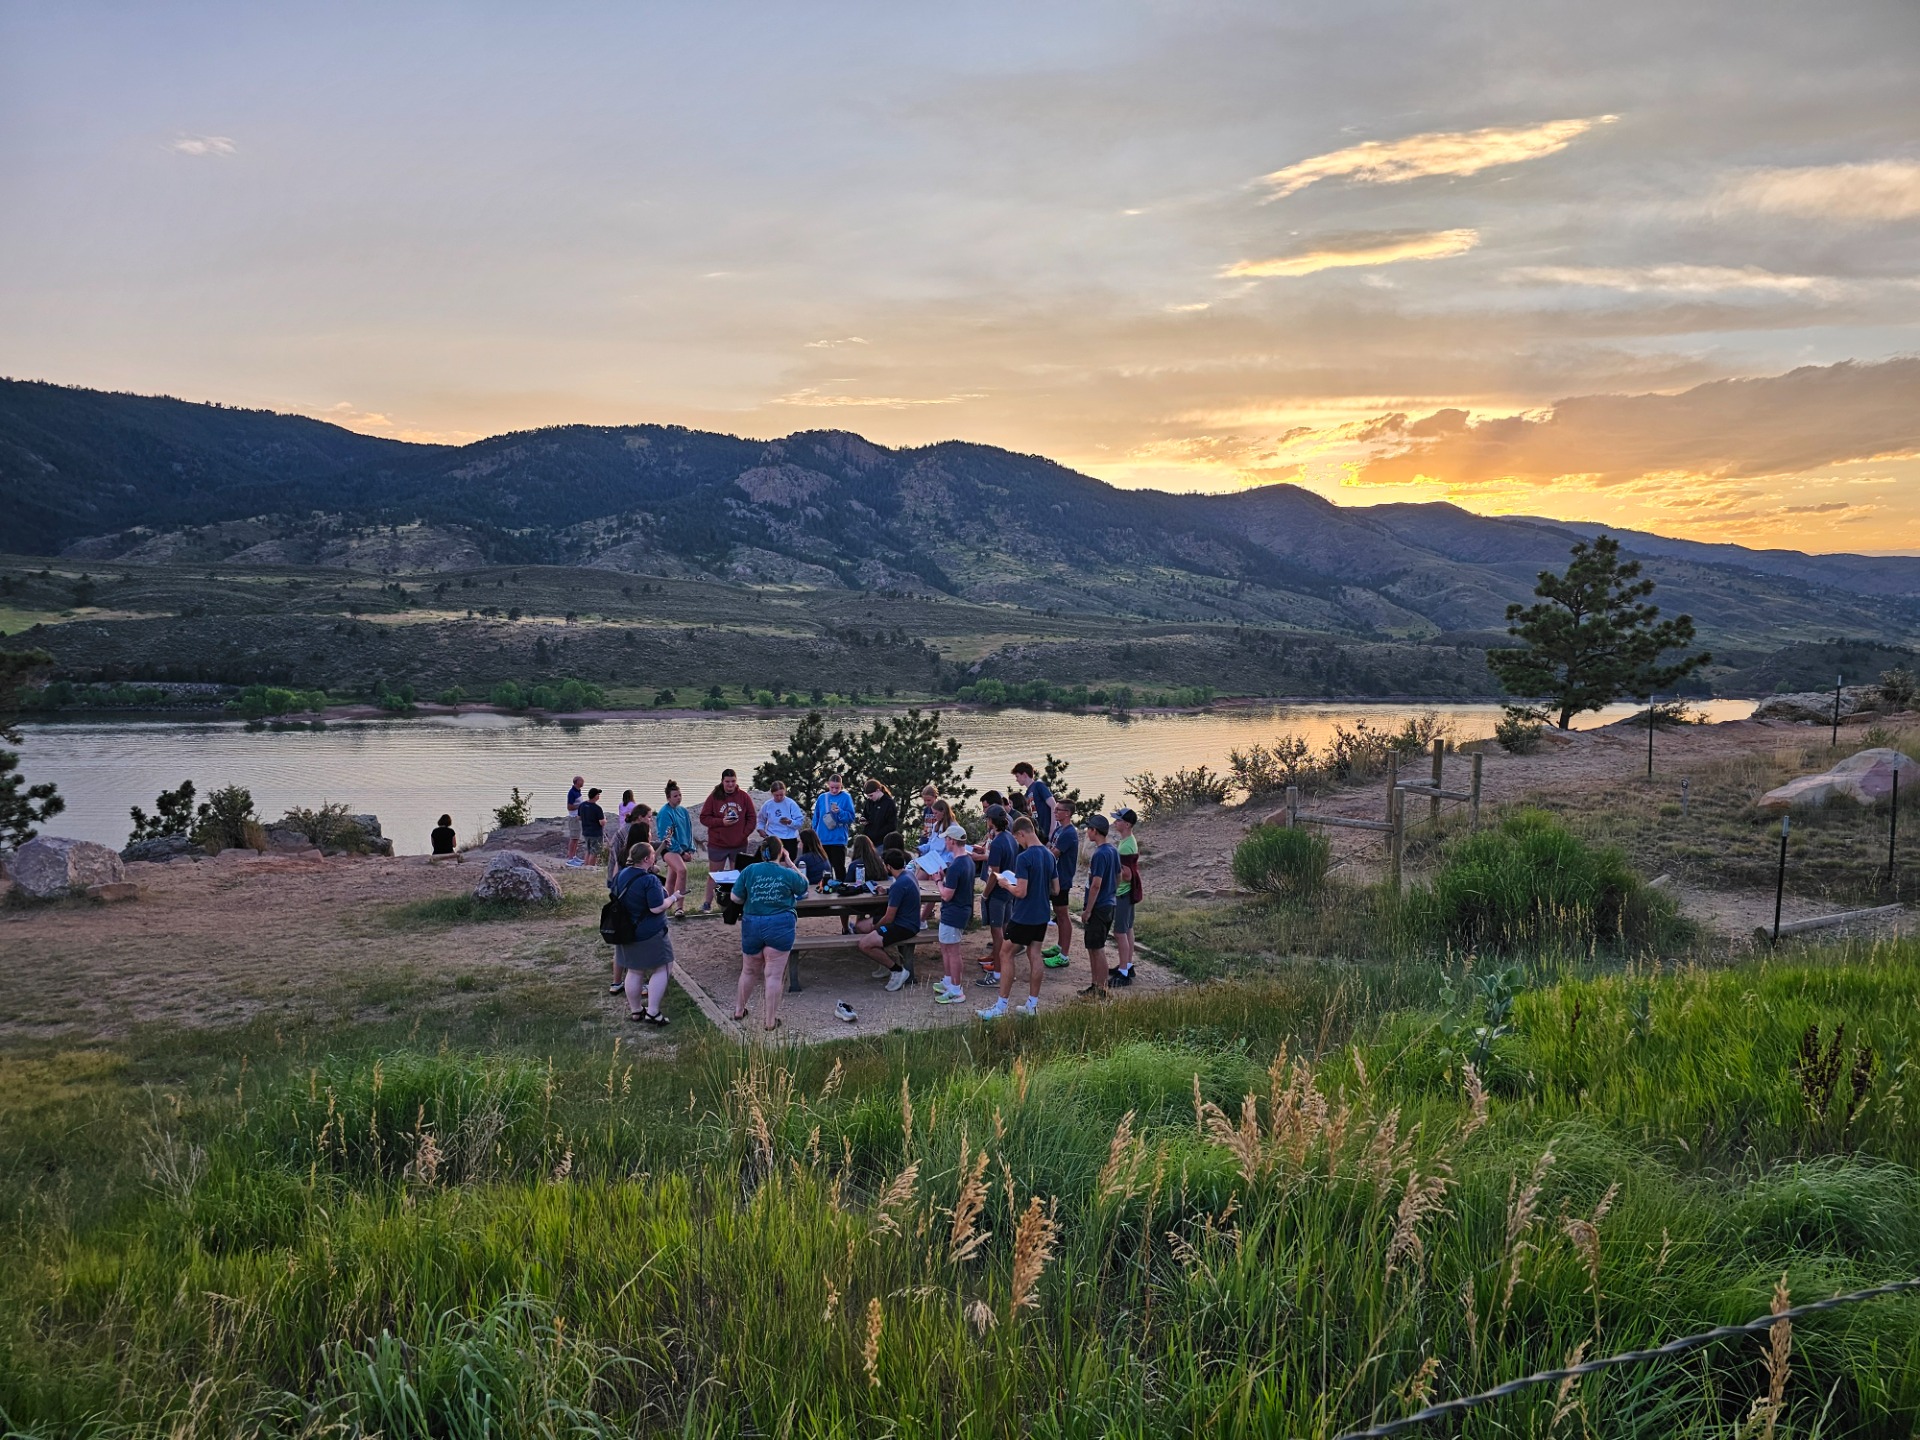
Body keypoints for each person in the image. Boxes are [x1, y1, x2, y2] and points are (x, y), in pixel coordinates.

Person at [978, 815, 1055, 1019]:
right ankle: (1032, 1004)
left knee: (1005, 954)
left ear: (1021, 833)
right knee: (1035, 954)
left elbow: (1020, 892)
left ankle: (1001, 1006)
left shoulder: (1025, 857)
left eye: (1018, 839)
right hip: (1042, 913)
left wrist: (1005, 884)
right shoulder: (1049, 855)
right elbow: (1055, 888)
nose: (1019, 843)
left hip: (1024, 915)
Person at [731, 837, 809, 1031]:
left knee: (748, 970)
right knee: (773, 975)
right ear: (781, 852)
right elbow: (804, 886)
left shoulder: (750, 870)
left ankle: (739, 1010)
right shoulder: (787, 873)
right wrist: (791, 864)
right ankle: (770, 1021)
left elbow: (735, 897)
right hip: (780, 925)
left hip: (752, 924)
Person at [609, 841, 680, 1024]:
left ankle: (636, 1010)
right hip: (650, 932)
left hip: (626, 929)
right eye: (653, 856)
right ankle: (653, 1012)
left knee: (634, 970)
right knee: (663, 967)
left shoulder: (621, 874)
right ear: (647, 858)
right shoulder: (649, 880)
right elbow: (656, 908)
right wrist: (673, 898)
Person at [855, 847, 923, 991]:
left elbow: (889, 917)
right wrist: (885, 891)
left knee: (864, 944)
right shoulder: (908, 875)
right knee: (861, 926)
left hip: (904, 926)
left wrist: (876, 928)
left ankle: (897, 970)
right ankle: (884, 963)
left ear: (888, 866)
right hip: (905, 919)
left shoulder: (899, 885)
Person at [698, 769, 757, 911]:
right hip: (718, 844)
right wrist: (721, 822)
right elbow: (704, 818)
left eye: (733, 781)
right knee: (714, 875)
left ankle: (737, 903)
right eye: (727, 782)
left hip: (738, 844)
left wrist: (744, 834)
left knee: (737, 875)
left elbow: (752, 818)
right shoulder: (714, 797)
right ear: (722, 781)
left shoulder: (743, 797)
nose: (730, 784)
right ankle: (707, 903)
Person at [1077, 814, 1119, 1000]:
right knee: (1092, 946)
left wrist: (1088, 910)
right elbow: (1118, 876)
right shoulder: (1113, 851)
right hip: (1109, 903)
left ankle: (1102, 988)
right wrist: (1112, 893)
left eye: (1089, 829)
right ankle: (1095, 985)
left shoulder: (1100, 854)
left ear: (1095, 831)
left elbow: (1096, 884)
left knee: (1098, 947)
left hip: (1098, 907)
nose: (1087, 832)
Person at [933, 823, 976, 1005]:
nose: (945, 842)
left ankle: (956, 990)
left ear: (952, 841)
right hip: (960, 910)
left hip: (954, 912)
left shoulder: (957, 865)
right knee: (947, 947)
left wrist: (938, 881)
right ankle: (949, 981)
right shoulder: (968, 861)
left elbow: (946, 895)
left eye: (947, 839)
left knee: (953, 951)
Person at [976, 805, 1016, 987]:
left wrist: (985, 894)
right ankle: (1008, 971)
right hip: (1008, 892)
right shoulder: (1011, 838)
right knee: (1006, 933)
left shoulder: (998, 842)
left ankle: (997, 975)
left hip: (998, 894)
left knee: (997, 934)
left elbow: (994, 873)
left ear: (991, 821)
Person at [1046, 795, 1079, 968]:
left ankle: (1064, 955)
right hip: (1055, 877)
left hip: (1062, 879)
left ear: (1067, 813)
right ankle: (1059, 946)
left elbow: (1053, 853)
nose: (1055, 811)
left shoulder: (1069, 833)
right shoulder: (1059, 830)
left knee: (1063, 915)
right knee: (1058, 914)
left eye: (1058, 809)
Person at [1112, 808, 1141, 986]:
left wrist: (1113, 879)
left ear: (1127, 824)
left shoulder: (1126, 846)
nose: (1115, 823)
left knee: (1119, 931)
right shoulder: (1128, 841)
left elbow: (1128, 874)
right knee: (1128, 928)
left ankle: (1123, 972)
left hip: (1123, 892)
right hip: (1129, 893)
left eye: (1118, 820)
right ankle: (1127, 964)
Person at [658, 782, 694, 918]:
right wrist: (680, 852)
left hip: (683, 848)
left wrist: (690, 850)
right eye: (675, 796)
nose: (678, 798)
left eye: (679, 795)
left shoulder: (683, 811)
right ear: (668, 798)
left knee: (672, 878)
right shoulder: (664, 813)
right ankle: (679, 907)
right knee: (682, 870)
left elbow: (689, 831)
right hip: (669, 848)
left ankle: (665, 905)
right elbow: (666, 836)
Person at [810, 774, 856, 879]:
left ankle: (842, 889)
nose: (834, 790)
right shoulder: (822, 797)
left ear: (841, 786)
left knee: (839, 868)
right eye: (832, 787)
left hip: (838, 839)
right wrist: (814, 835)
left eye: (837, 788)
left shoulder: (846, 797)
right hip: (822, 838)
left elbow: (850, 817)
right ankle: (826, 889)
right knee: (825, 869)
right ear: (828, 785)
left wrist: (840, 812)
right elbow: (816, 817)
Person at [761, 779, 806, 847]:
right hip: (772, 837)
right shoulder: (767, 805)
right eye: (776, 795)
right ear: (772, 793)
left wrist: (790, 822)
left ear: (785, 792)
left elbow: (799, 822)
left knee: (789, 857)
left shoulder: (791, 804)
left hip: (789, 838)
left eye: (781, 795)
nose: (779, 798)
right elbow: (761, 820)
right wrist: (761, 829)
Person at [1011, 762, 1053, 828]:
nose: (1016, 780)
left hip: (1047, 828)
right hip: (1039, 831)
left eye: (1017, 776)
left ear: (1024, 775)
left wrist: (1052, 828)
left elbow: (1053, 805)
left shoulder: (1038, 786)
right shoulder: (1027, 794)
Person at [861, 781, 898, 848]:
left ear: (878, 791)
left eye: (871, 795)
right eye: (868, 796)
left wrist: (877, 834)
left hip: (882, 842)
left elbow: (892, 825)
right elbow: (865, 814)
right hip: (869, 841)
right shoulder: (869, 802)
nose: (870, 798)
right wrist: (863, 819)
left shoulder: (889, 803)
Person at [576, 788, 607, 864]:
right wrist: (605, 819)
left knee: (588, 850)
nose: (599, 796)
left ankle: (586, 865)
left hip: (586, 832)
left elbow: (579, 817)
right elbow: (602, 823)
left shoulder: (582, 805)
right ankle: (591, 867)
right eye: (598, 794)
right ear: (595, 796)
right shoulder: (597, 808)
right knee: (595, 852)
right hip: (595, 833)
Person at [564, 774, 585, 864]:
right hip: (574, 818)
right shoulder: (572, 792)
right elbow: (569, 807)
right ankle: (570, 858)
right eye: (581, 781)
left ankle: (574, 856)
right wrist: (580, 806)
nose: (583, 782)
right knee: (573, 838)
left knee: (576, 838)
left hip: (578, 818)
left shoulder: (578, 791)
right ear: (577, 782)